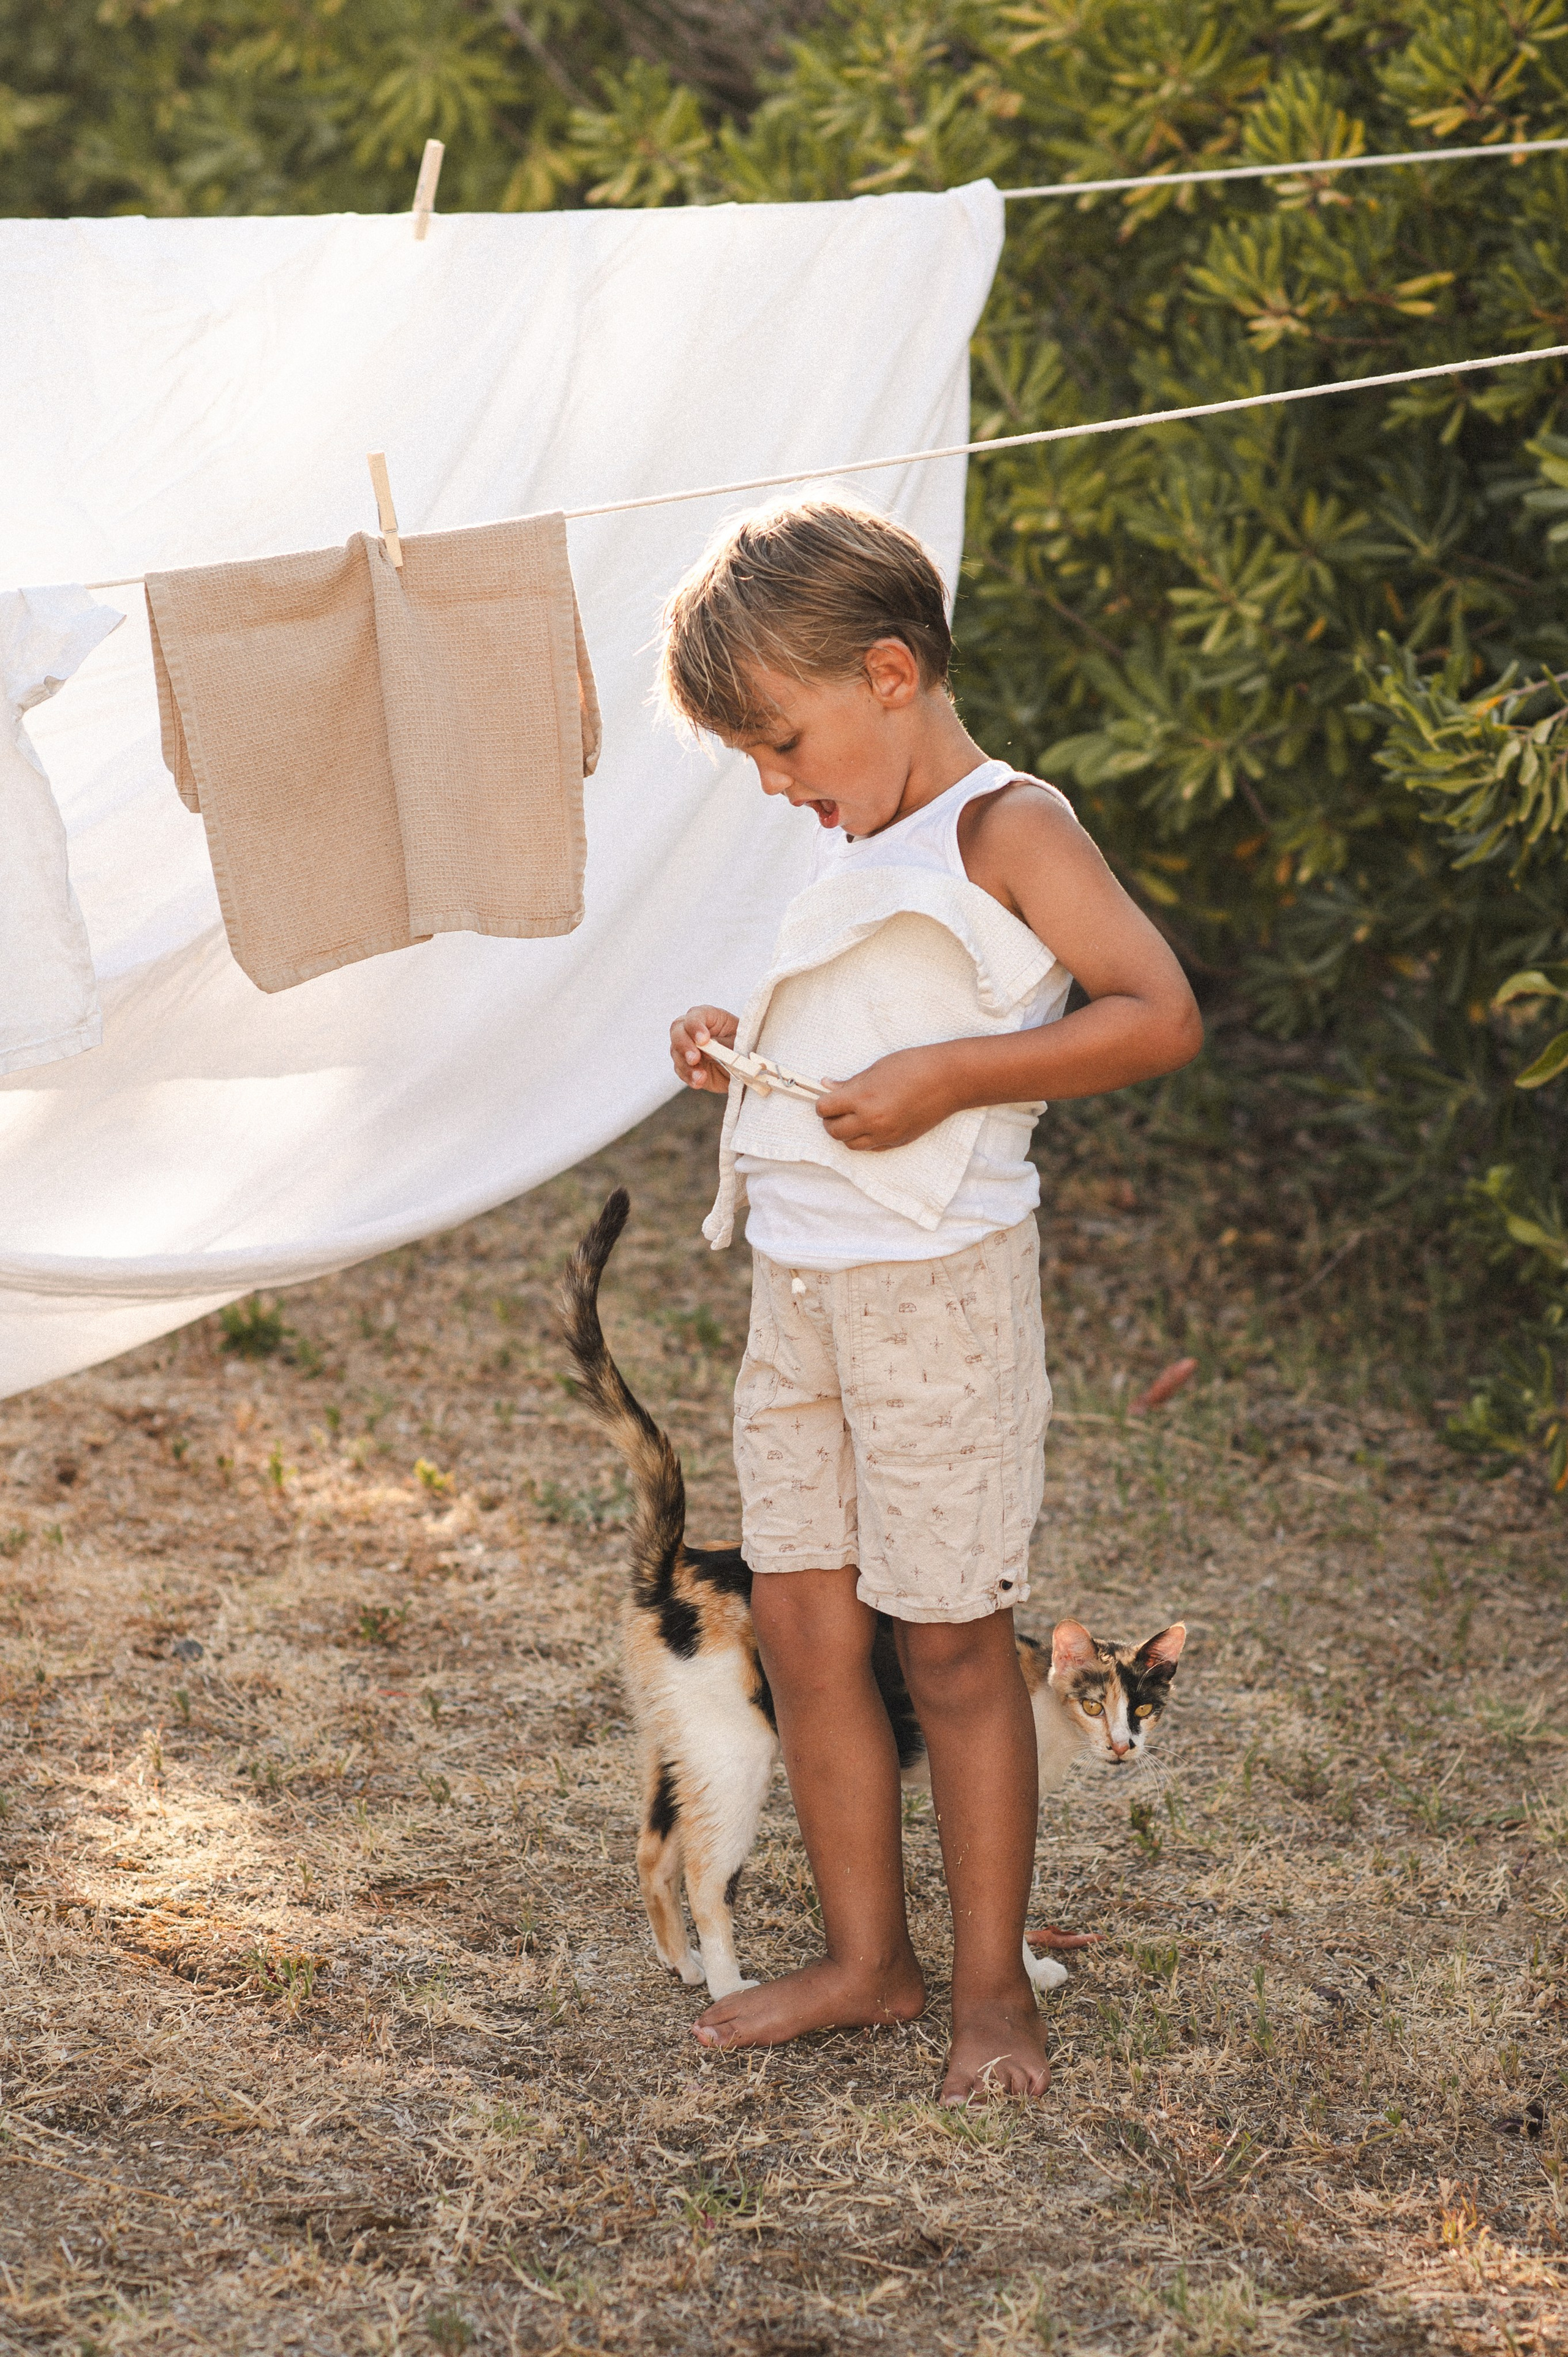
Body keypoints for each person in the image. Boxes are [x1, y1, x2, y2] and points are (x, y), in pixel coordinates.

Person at [663, 500, 1202, 2104]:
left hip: (939, 1302)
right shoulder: (856, 829)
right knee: (808, 1633)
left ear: (889, 673)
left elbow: (1156, 1013)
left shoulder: (1002, 824)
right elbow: (851, 1012)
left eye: (782, 743)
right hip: (801, 1297)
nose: (777, 784)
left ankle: (990, 1991)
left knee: (952, 1648)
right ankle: (866, 1960)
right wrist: (728, 1034)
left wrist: (953, 1074)